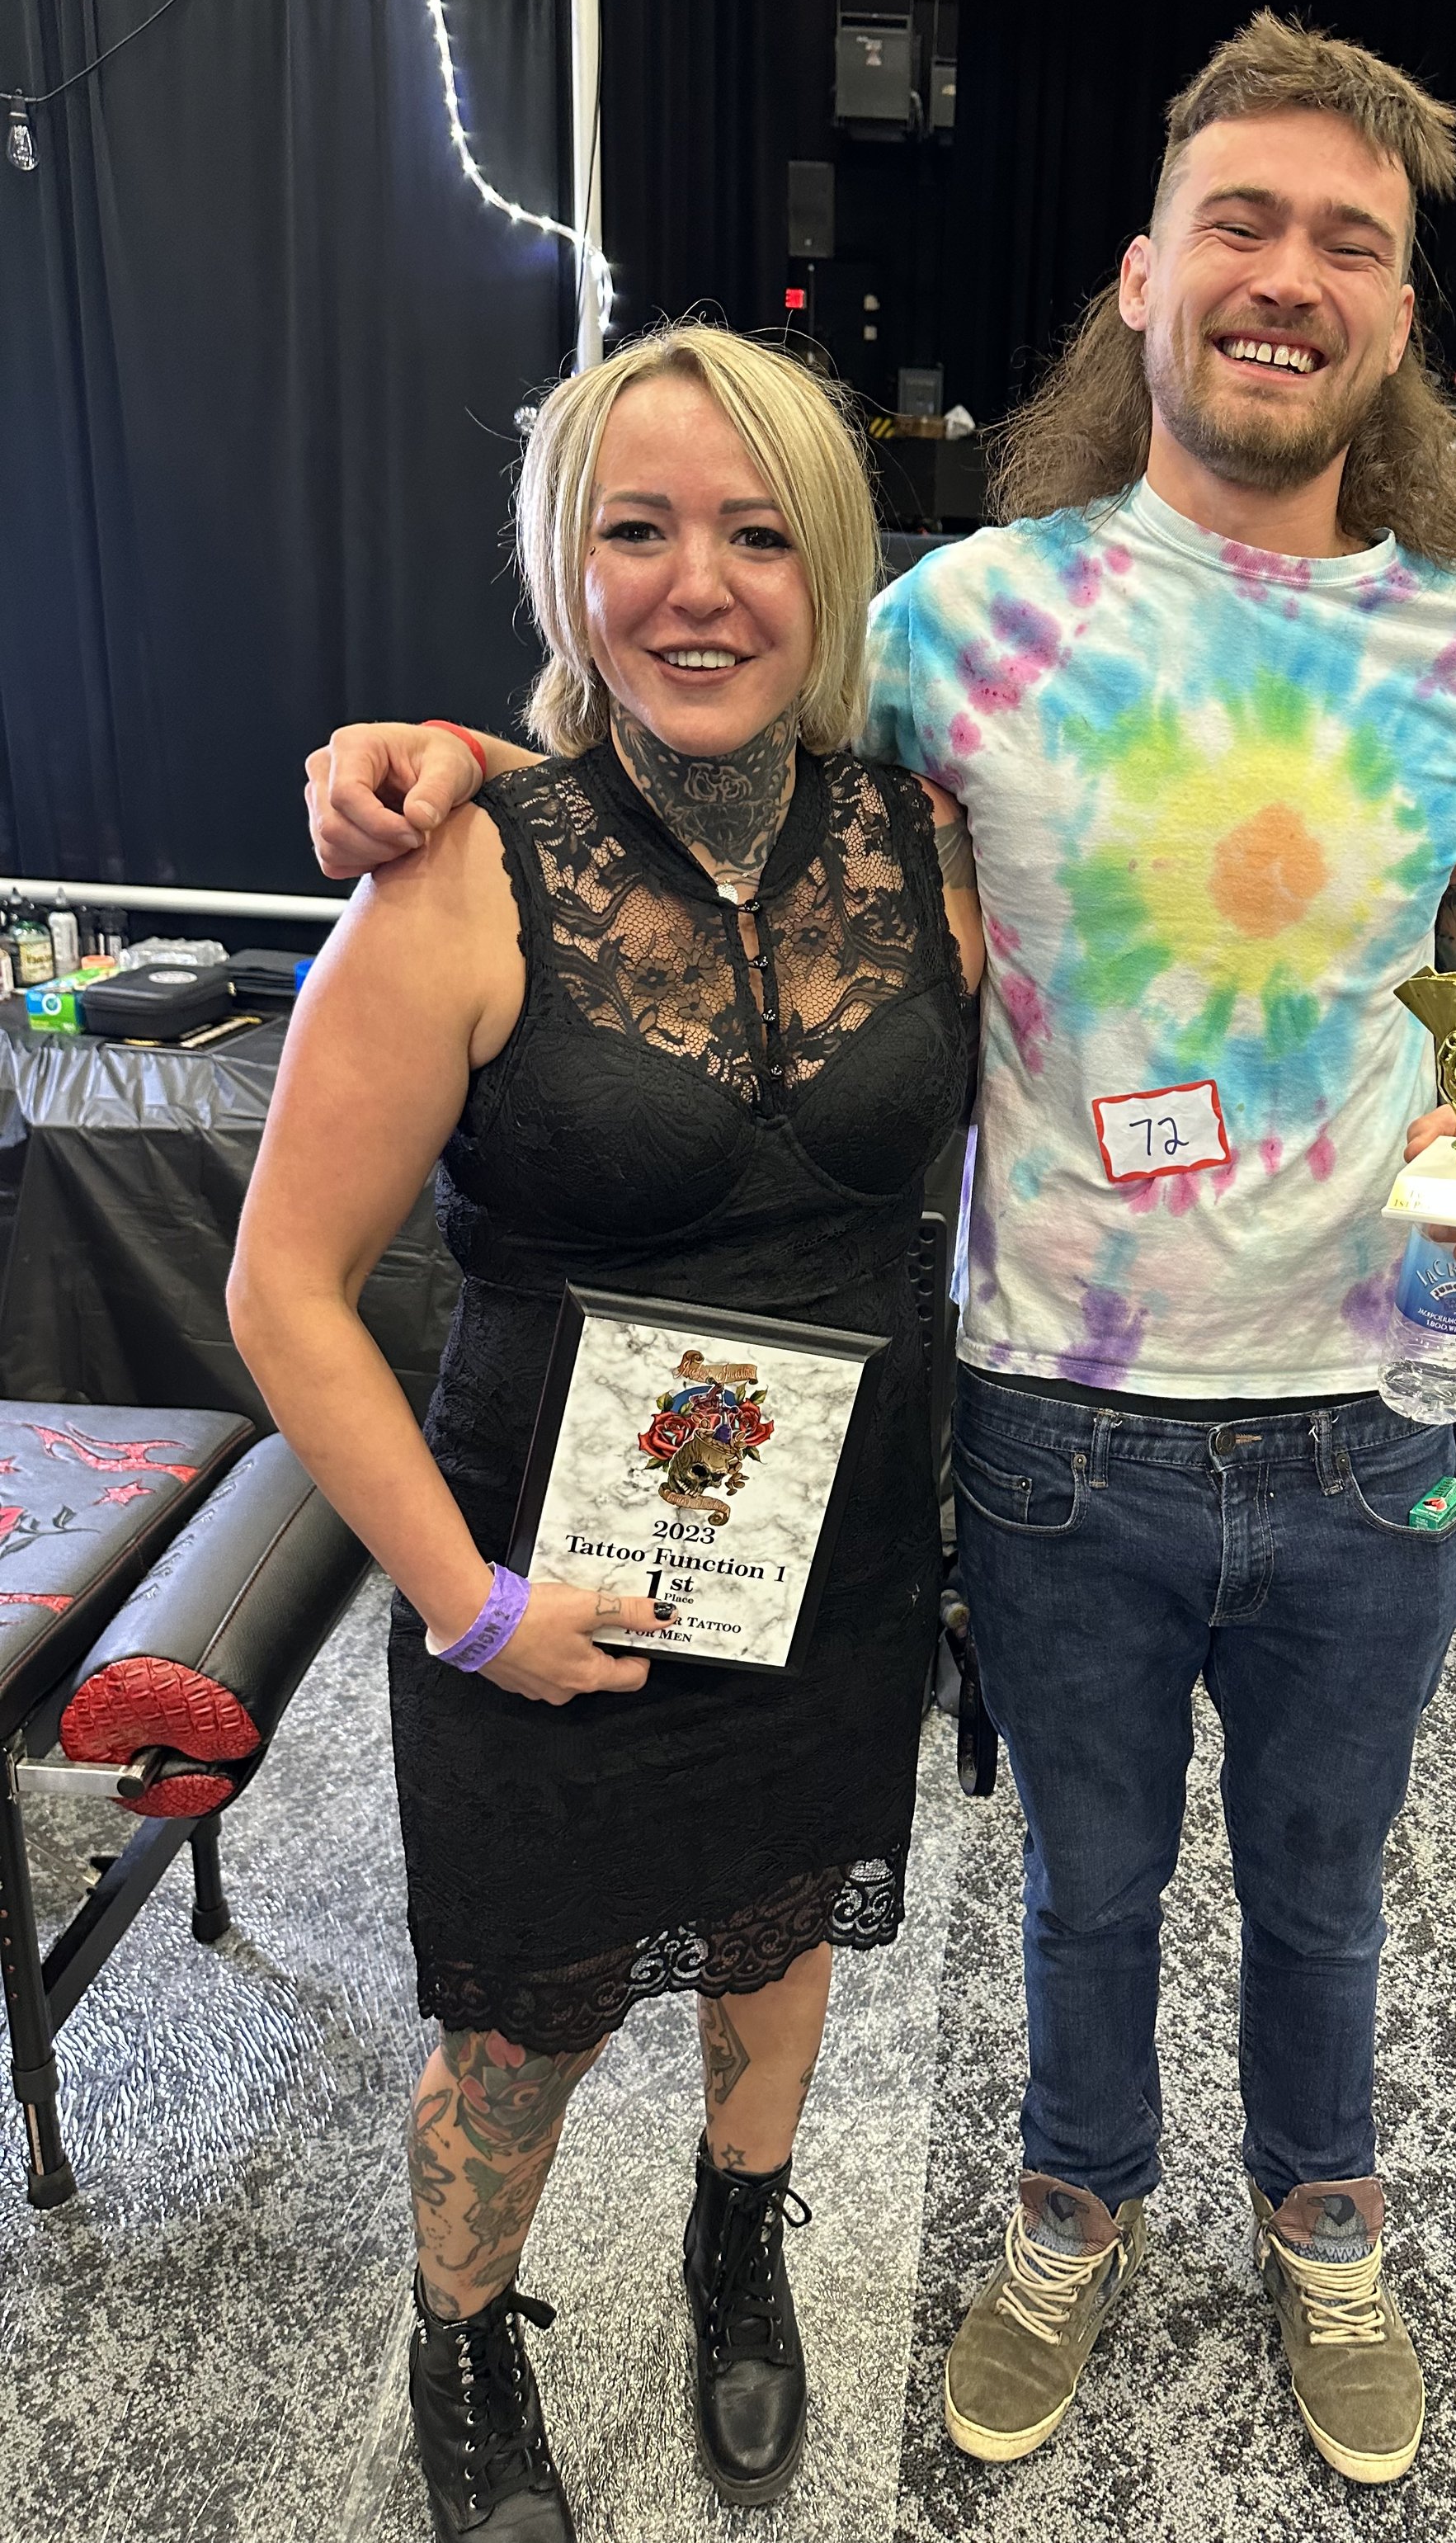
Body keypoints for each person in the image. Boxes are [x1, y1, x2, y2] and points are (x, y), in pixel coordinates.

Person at [305, 14, 1456, 2493]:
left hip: (1373, 1414)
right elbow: (683, 703)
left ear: (1396, 317)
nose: (1284, 276)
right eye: (1240, 221)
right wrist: (450, 761)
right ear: (1141, 276)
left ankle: (1322, 2220)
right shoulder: (970, 620)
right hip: (1051, 1412)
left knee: (1323, 1893)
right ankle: (1066, 2214)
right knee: (1078, 1886)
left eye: (1349, 241)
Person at [232, 323, 980, 2537]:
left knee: (776, 1949)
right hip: (535, 1575)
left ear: (828, 566)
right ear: (564, 564)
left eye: (756, 532)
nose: (698, 583)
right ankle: (462, 2334)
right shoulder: (455, 874)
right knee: (523, 2029)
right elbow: (284, 1289)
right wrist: (467, 1608)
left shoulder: (924, 837)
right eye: (634, 530)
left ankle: (734, 2245)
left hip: (834, 1571)